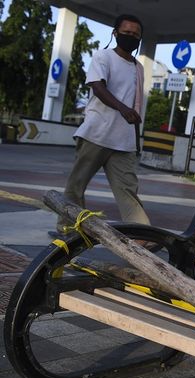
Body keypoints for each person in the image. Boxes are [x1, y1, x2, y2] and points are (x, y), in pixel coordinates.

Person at [52, 14, 150, 237]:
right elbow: (98, 87)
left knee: (128, 192)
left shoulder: (139, 68)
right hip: (96, 134)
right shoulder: (103, 57)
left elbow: (136, 106)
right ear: (115, 33)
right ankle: (67, 229)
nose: (131, 37)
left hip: (124, 142)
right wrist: (122, 108)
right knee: (76, 187)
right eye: (126, 33)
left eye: (136, 35)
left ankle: (143, 237)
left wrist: (136, 140)